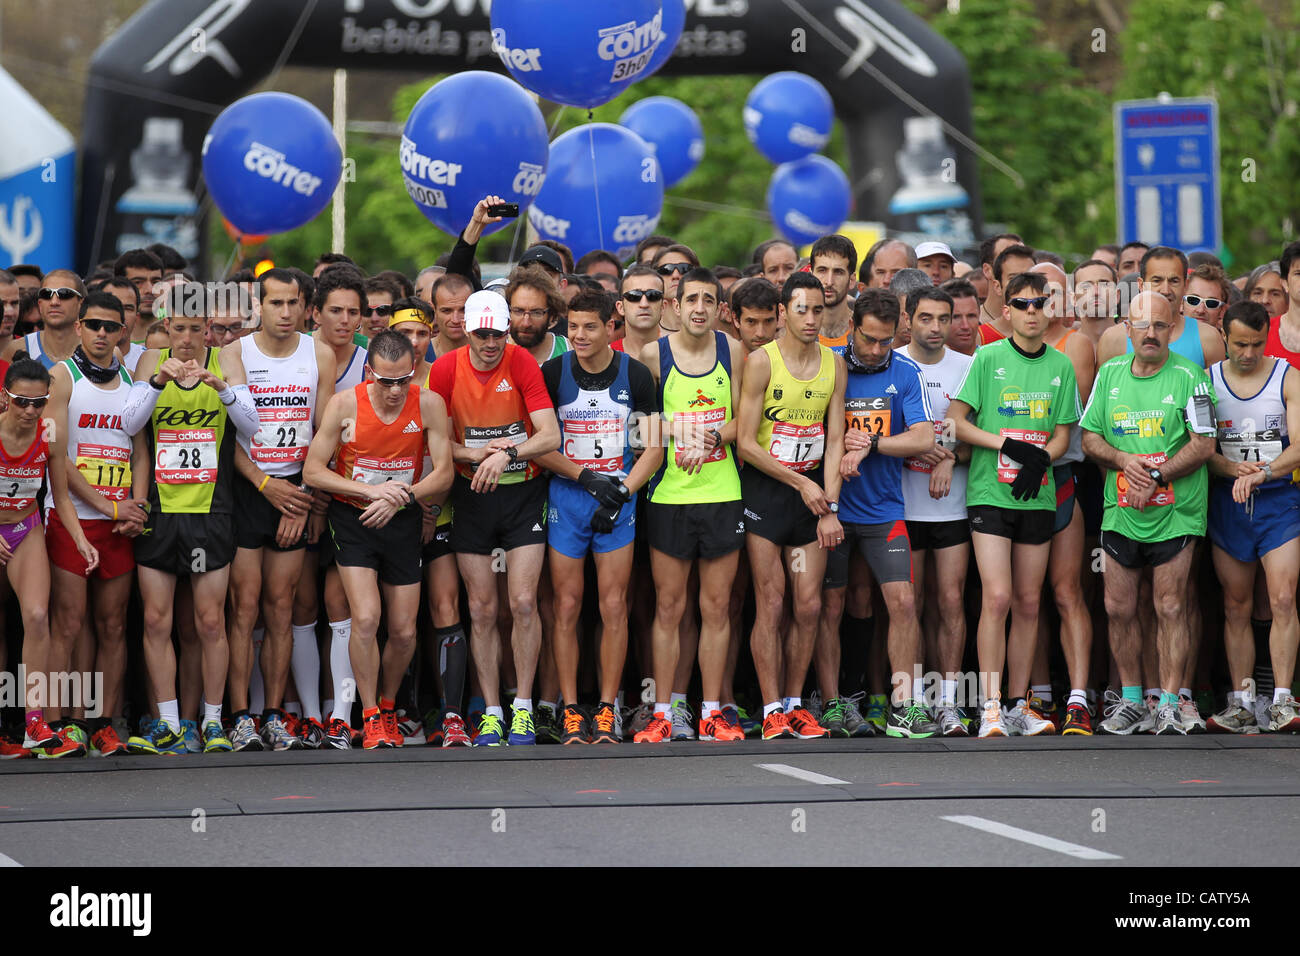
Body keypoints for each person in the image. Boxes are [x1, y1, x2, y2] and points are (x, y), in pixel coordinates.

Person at [121, 295, 261, 755]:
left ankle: (214, 721)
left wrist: (221, 388)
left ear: (206, 329)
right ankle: (167, 722)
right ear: (165, 325)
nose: (185, 339)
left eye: (194, 330)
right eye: (177, 329)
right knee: (157, 619)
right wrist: (158, 384)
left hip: (210, 510)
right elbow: (128, 423)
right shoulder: (149, 360)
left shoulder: (226, 359)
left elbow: (251, 424)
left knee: (208, 622)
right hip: (161, 511)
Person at [304, 331, 453, 748]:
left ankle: (389, 706)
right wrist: (372, 493)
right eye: (385, 381)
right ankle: (368, 713)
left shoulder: (428, 403)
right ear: (369, 372)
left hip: (403, 519)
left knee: (404, 631)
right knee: (366, 618)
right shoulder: (345, 403)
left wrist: (400, 498)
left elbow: (443, 472)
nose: (394, 391)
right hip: (354, 518)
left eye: (402, 380)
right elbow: (314, 471)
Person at [948, 271, 1080, 737]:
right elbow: (956, 422)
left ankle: (1017, 704)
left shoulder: (1061, 366)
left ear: (1049, 310)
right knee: (998, 597)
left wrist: (1043, 455)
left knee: (1028, 603)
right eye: (1022, 304)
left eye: (1039, 304)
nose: (1031, 312)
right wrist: (1007, 446)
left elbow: (1065, 432)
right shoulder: (987, 357)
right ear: (1007, 311)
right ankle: (987, 706)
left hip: (1037, 494)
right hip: (990, 492)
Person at [426, 291, 560, 746]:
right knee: (482, 608)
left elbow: (550, 435)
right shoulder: (445, 369)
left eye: (498, 334)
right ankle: (491, 710)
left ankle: (522, 706)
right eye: (482, 334)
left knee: (522, 602)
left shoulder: (520, 361)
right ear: (466, 330)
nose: (490, 343)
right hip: (472, 495)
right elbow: (438, 444)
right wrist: (474, 453)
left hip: (523, 492)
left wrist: (507, 454)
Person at [1080, 292, 1217, 735]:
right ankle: (1134, 700)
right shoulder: (1110, 374)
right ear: (1127, 327)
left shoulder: (1192, 377)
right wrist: (1125, 462)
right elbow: (1090, 439)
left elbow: (1203, 445)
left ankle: (1171, 701)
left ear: (1174, 325)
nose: (1152, 334)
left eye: (1161, 325)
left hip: (1175, 510)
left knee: (1171, 604)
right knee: (1118, 606)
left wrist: (1155, 475)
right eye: (1143, 326)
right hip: (1121, 511)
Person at [536, 291, 660, 743]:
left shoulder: (638, 375)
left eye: (590, 326)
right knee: (565, 606)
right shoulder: (552, 373)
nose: (580, 335)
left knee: (613, 605)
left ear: (613, 327)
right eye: (573, 327)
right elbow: (541, 444)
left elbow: (654, 447)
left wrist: (623, 490)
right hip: (568, 499)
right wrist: (585, 478)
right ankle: (571, 708)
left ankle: (606, 708)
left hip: (618, 500)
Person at [634, 268, 747, 743]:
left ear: (720, 308)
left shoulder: (733, 351)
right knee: (669, 608)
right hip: (669, 495)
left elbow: (748, 419)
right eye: (690, 299)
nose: (699, 308)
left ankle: (712, 712)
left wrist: (715, 435)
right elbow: (640, 429)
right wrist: (681, 431)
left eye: (708, 299)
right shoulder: (652, 355)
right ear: (673, 307)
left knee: (717, 607)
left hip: (723, 493)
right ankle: (663, 711)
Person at [225, 269, 335, 751]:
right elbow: (227, 435)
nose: (286, 313)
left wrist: (306, 500)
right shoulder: (236, 353)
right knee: (244, 608)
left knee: (282, 607)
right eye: (276, 303)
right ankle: (239, 715)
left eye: (294, 303)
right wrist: (265, 484)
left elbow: (325, 435)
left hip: (297, 488)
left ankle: (273, 713)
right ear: (259, 306)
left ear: (304, 306)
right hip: (252, 488)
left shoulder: (320, 353)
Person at [736, 271, 846, 741]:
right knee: (772, 602)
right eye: (801, 309)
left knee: (807, 606)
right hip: (769, 492)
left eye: (818, 310)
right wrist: (800, 483)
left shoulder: (834, 365)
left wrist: (831, 505)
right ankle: (770, 707)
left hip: (816, 496)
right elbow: (744, 443)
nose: (810, 318)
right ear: (783, 312)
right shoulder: (762, 362)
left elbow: (837, 437)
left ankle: (798, 703)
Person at [44, 293, 150, 757]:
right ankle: (59, 724)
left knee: (112, 626)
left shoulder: (131, 379)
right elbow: (56, 457)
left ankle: (105, 723)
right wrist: (109, 507)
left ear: (124, 332)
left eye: (112, 327)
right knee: (68, 624)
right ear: (80, 327)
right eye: (95, 326)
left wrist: (138, 504)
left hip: (120, 522)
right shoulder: (60, 377)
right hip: (73, 518)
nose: (103, 334)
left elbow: (140, 448)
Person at [833, 287, 938, 736]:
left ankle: (904, 704)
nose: (877, 350)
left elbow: (923, 439)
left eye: (886, 340)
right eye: (869, 339)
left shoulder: (906, 371)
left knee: (903, 602)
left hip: (883, 510)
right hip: (833, 506)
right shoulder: (830, 365)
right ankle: (836, 699)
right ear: (852, 327)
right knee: (835, 604)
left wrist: (872, 443)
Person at [1205, 301, 1300, 733]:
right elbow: (1203, 453)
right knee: (1236, 604)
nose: (1248, 353)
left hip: (1278, 499)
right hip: (1229, 500)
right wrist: (1234, 471)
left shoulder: (1286, 377)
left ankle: (1282, 699)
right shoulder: (1206, 383)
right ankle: (1242, 700)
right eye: (1240, 344)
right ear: (1224, 336)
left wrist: (1262, 473)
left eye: (1257, 344)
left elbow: (1298, 446)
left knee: (1282, 599)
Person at [7, 359, 100, 756]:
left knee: (38, 617)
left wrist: (81, 540)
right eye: (21, 402)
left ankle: (35, 723)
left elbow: (60, 495)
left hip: (23, 528)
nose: (30, 411)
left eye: (38, 402)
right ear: (4, 399)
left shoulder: (49, 433)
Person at [898, 286, 972, 735]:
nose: (936, 328)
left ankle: (948, 701)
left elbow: (979, 437)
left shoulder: (968, 367)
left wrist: (949, 458)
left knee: (951, 602)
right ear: (908, 318)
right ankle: (912, 702)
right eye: (925, 318)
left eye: (943, 319)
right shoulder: (893, 364)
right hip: (901, 505)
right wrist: (919, 449)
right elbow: (876, 433)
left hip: (952, 507)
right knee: (908, 606)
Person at [1097, 246, 1225, 368]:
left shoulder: (1208, 338)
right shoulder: (1113, 339)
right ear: (1141, 285)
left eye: (1174, 281)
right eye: (1157, 280)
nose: (1165, 290)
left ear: (1185, 285)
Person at [2, 270, 86, 369]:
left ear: (81, 303)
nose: (54, 302)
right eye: (46, 294)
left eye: (64, 294)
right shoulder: (14, 350)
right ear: (40, 304)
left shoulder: (96, 348)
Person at [507, 265, 570, 364]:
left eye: (536, 313)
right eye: (518, 311)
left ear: (552, 316)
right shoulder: (496, 351)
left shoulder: (569, 351)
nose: (526, 323)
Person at [978, 244, 1035, 344]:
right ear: (997, 286)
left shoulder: (1049, 335)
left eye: (1029, 277)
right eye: (1013, 278)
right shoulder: (980, 338)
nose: (1023, 284)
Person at [811, 234, 855, 354]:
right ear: (811, 275)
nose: (829, 282)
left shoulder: (864, 331)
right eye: (822, 270)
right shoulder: (795, 330)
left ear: (852, 280)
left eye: (838, 272)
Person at [613, 265, 666, 359]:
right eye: (634, 296)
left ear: (663, 306)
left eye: (653, 295)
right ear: (620, 307)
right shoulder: (605, 358)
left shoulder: (682, 356)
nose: (644, 304)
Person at [940, 277, 981, 357]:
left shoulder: (994, 363)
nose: (965, 326)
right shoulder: (923, 365)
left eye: (971, 316)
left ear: (979, 314)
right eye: (956, 317)